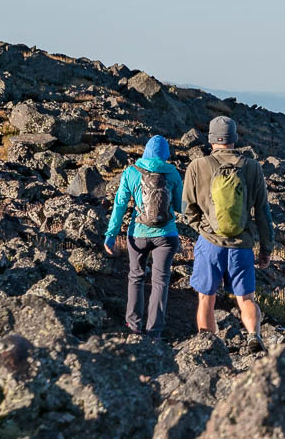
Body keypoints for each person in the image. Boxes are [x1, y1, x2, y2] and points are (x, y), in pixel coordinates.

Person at [178, 115, 275, 352]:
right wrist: (266, 249)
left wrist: (203, 228)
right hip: (241, 245)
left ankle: (208, 346)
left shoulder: (197, 166)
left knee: (206, 298)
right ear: (234, 139)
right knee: (246, 299)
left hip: (210, 243)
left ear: (211, 139)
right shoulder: (252, 167)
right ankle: (254, 335)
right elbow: (263, 212)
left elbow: (186, 208)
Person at [103, 135, 184, 334]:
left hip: (137, 233)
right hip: (166, 234)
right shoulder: (172, 172)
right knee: (160, 282)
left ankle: (133, 325)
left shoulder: (131, 172)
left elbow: (120, 205)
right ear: (165, 153)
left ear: (146, 151)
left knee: (136, 277)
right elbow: (179, 206)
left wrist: (111, 234)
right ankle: (155, 331)